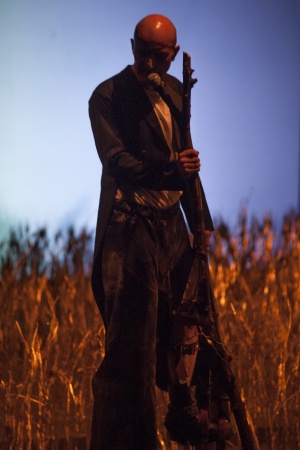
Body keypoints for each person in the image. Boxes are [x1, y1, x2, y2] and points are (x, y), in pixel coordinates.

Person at [88, 14, 214, 450]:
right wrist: (170, 170)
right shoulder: (108, 96)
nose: (148, 62)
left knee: (194, 326)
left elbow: (190, 166)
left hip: (174, 225)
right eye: (142, 52)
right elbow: (117, 162)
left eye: (159, 56)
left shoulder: (177, 92)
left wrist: (202, 223)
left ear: (174, 55)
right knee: (131, 353)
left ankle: (199, 422)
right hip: (130, 229)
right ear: (131, 46)